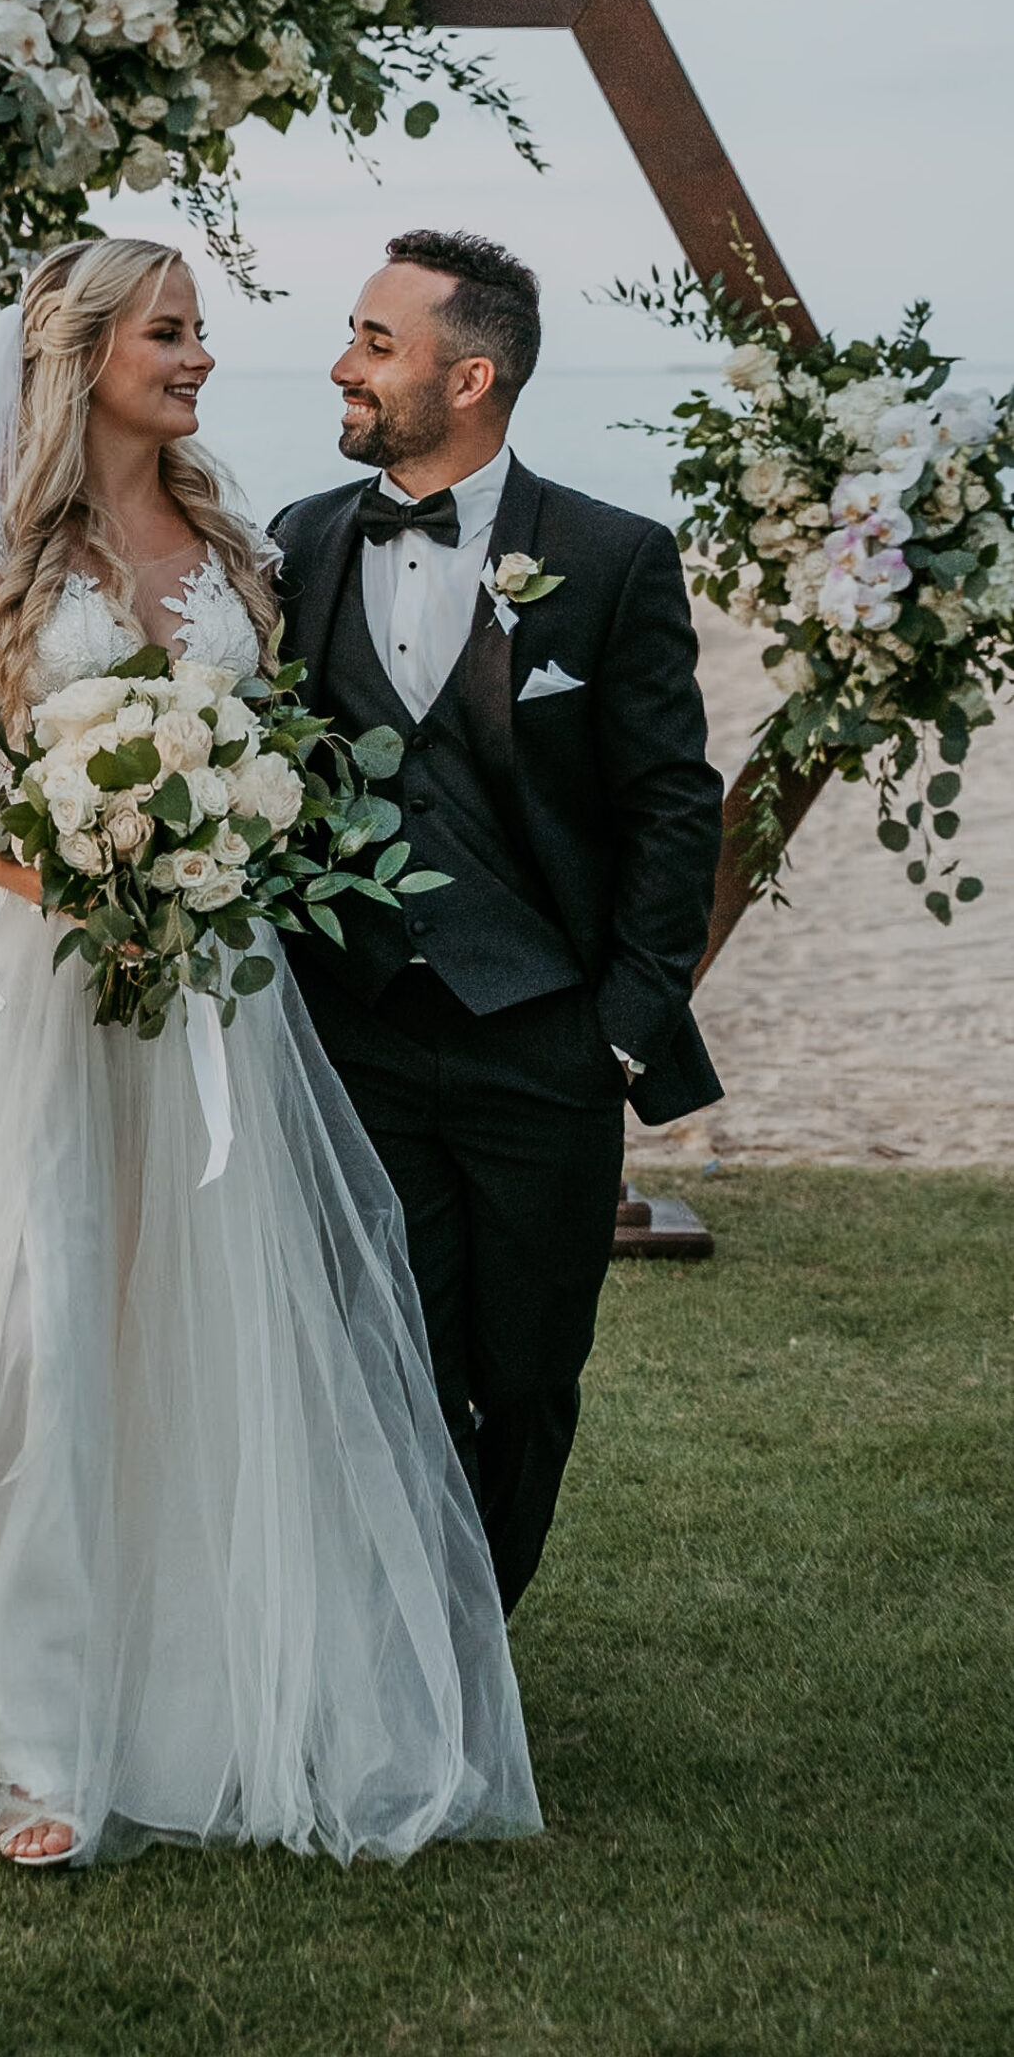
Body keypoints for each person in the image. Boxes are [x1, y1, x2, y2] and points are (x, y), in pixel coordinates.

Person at [0, 236, 538, 1869]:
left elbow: (272, 755)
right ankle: (40, 1736)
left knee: (203, 1328)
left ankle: (200, 1678)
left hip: (211, 998)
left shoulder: (234, 541)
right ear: (80, 353)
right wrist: (80, 874)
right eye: (170, 330)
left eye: (202, 330)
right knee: (41, 1328)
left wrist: (216, 861)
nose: (201, 357)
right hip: (33, 995)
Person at [273, 230, 724, 1618]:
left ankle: (479, 1630)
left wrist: (622, 1037)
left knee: (525, 1379)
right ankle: (411, 1663)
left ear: (469, 378)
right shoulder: (296, 545)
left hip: (545, 1046)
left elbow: (670, 807)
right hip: (354, 1039)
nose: (342, 366)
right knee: (382, 1356)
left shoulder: (612, 557)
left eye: (375, 343)